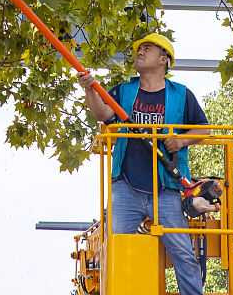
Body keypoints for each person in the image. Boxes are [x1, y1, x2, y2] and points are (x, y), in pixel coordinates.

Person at [77, 32, 210, 295]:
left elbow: (203, 129)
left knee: (184, 255)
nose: (139, 52)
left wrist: (181, 141)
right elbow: (103, 114)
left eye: (147, 48)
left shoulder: (181, 95)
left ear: (163, 60)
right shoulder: (124, 91)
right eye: (139, 49)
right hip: (126, 187)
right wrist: (89, 89)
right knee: (115, 251)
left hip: (167, 188)